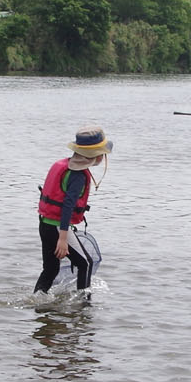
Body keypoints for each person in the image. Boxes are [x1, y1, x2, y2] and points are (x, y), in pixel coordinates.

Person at [34, 126, 112, 301]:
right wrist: (62, 239)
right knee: (85, 264)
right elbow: (68, 206)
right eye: (102, 153)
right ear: (95, 155)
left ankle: (37, 301)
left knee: (51, 269)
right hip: (57, 228)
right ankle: (83, 308)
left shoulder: (65, 166)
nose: (103, 156)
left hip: (45, 224)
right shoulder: (78, 175)